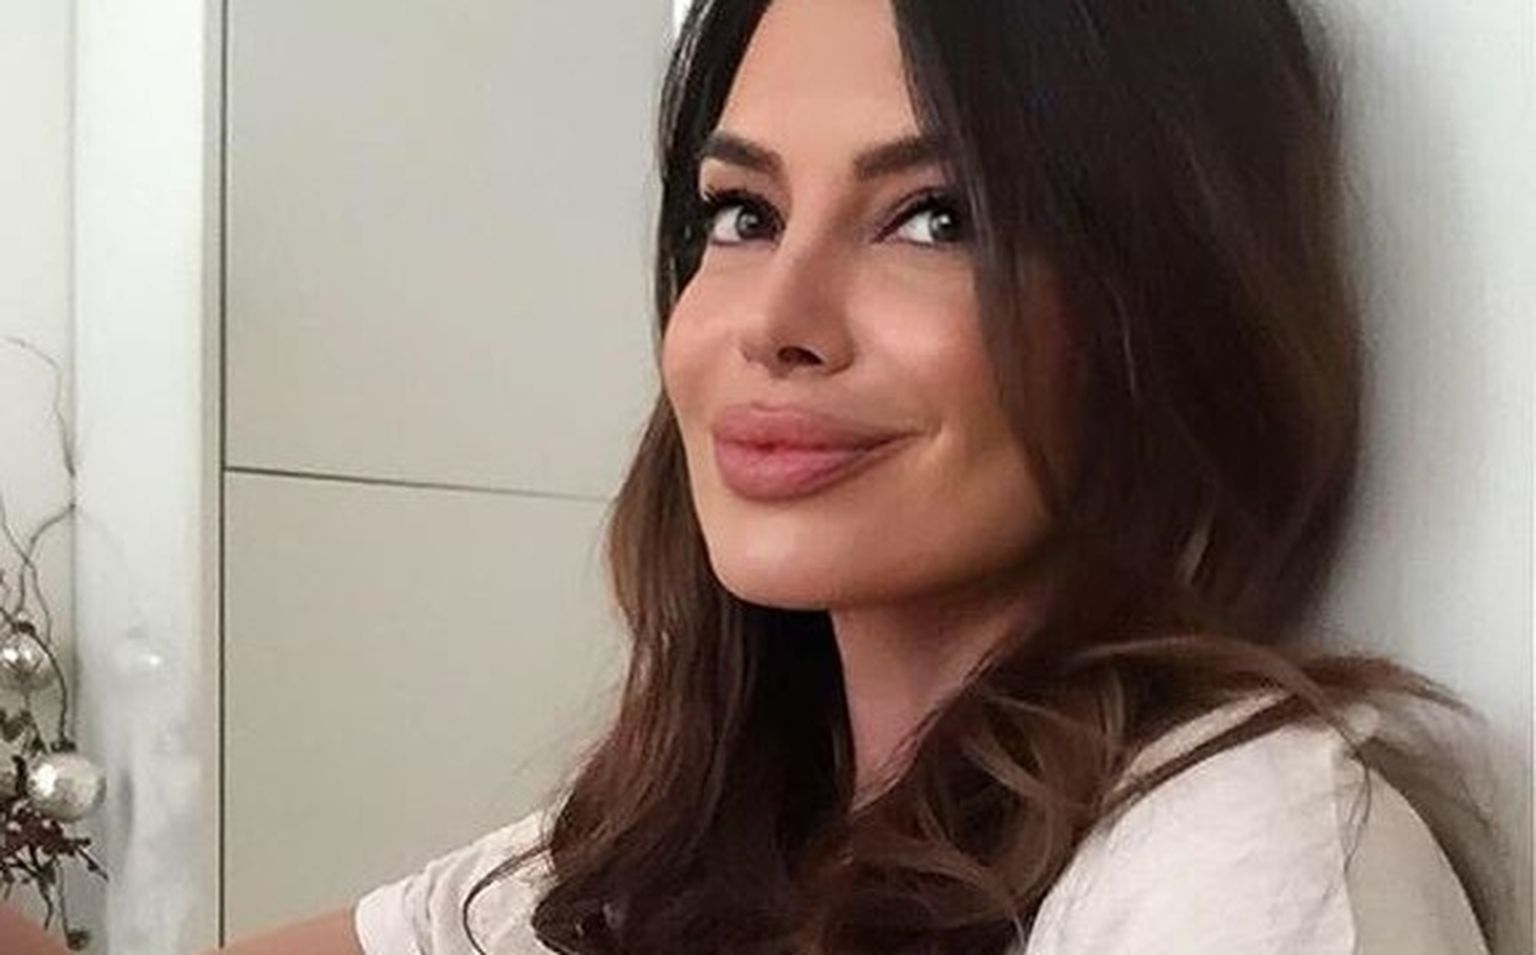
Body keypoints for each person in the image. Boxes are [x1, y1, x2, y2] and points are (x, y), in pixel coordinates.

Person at [0, 0, 1505, 952]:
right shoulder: (704, 834)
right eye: (740, 214)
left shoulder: (1242, 854)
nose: (773, 322)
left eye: (936, 217)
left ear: (1160, 315)